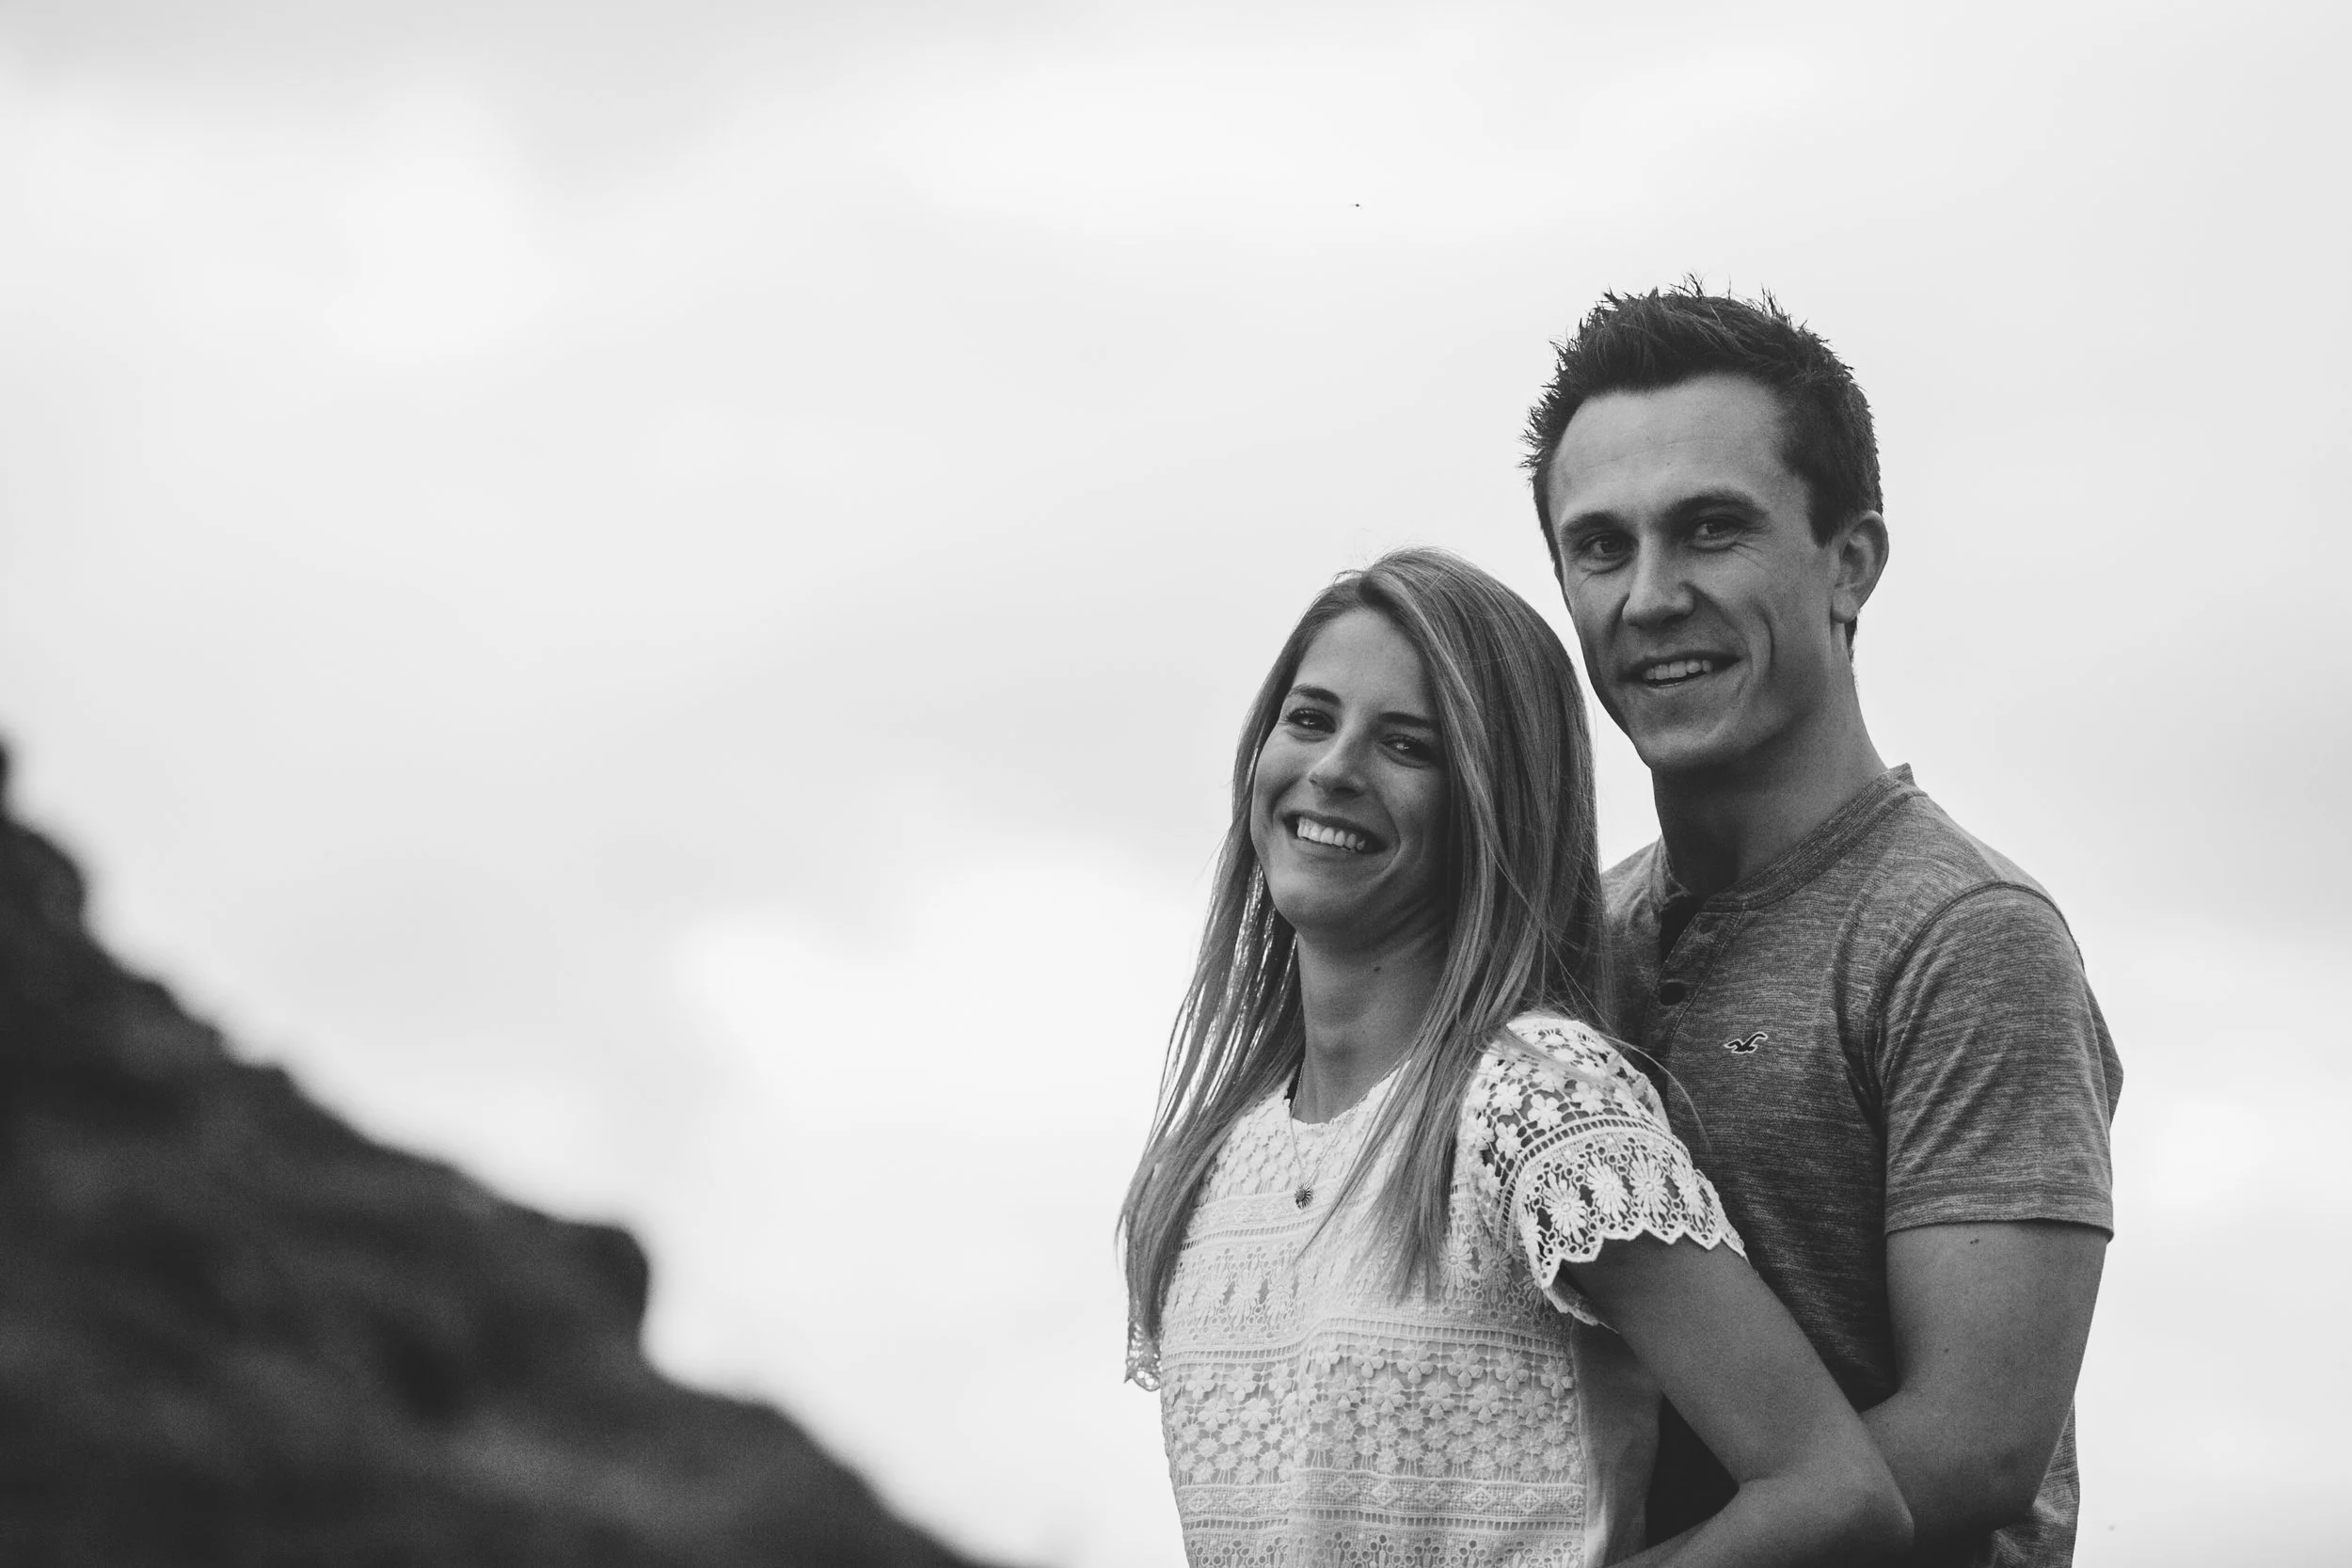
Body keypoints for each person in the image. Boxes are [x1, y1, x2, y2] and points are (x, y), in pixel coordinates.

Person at [1120, 547, 1911, 1566]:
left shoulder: (1537, 1100)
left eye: (1406, 744)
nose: (1332, 768)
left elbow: (1832, 1491)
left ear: (1493, 801)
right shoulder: (1207, 1159)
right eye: (1310, 718)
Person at [1522, 286, 2122, 1566]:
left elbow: (1976, 1440)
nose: (1650, 595)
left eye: (1711, 529)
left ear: (1851, 561)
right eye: (1600, 546)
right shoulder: (1575, 939)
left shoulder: (1965, 934)